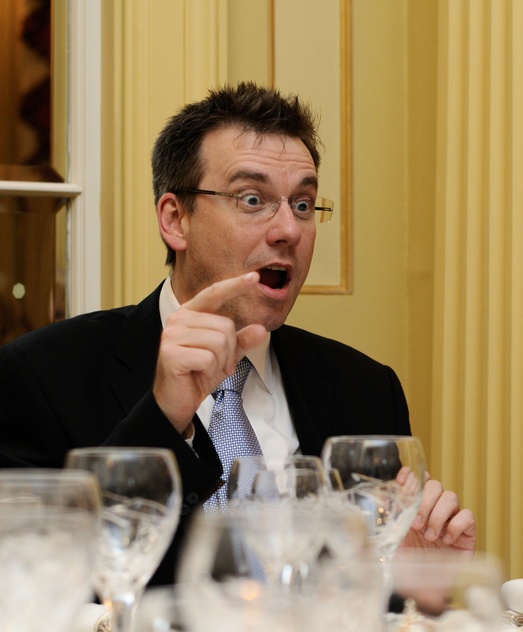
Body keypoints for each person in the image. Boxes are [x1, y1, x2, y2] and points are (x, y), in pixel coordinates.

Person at [0, 82, 475, 585]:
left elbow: (372, 596)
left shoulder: (367, 390)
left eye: (303, 204)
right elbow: (29, 582)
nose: (288, 230)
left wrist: (414, 583)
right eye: (252, 199)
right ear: (175, 219)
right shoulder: (40, 377)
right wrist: (163, 418)